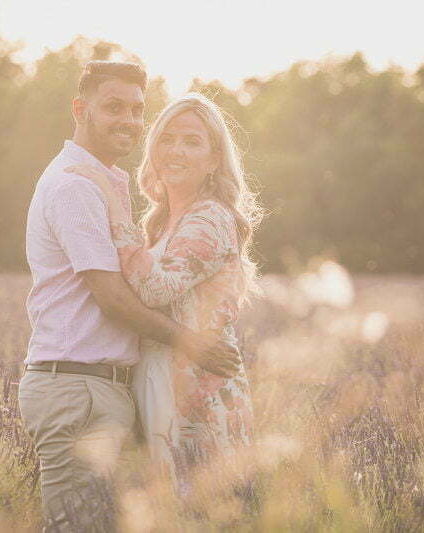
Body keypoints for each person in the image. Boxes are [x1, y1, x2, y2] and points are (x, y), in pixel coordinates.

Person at [18, 62, 240, 530]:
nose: (129, 120)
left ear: (215, 157)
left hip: (130, 391)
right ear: (80, 109)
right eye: (114, 107)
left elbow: (147, 284)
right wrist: (189, 341)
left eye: (138, 110)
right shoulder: (78, 185)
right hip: (81, 386)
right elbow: (115, 299)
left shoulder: (176, 211)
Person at [67, 92, 261, 493]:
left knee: (200, 504)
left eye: (192, 142)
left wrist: (113, 202)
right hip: (160, 379)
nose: (177, 150)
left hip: (199, 391)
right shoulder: (163, 221)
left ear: (214, 159)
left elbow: (156, 289)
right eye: (168, 138)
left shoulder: (210, 217)